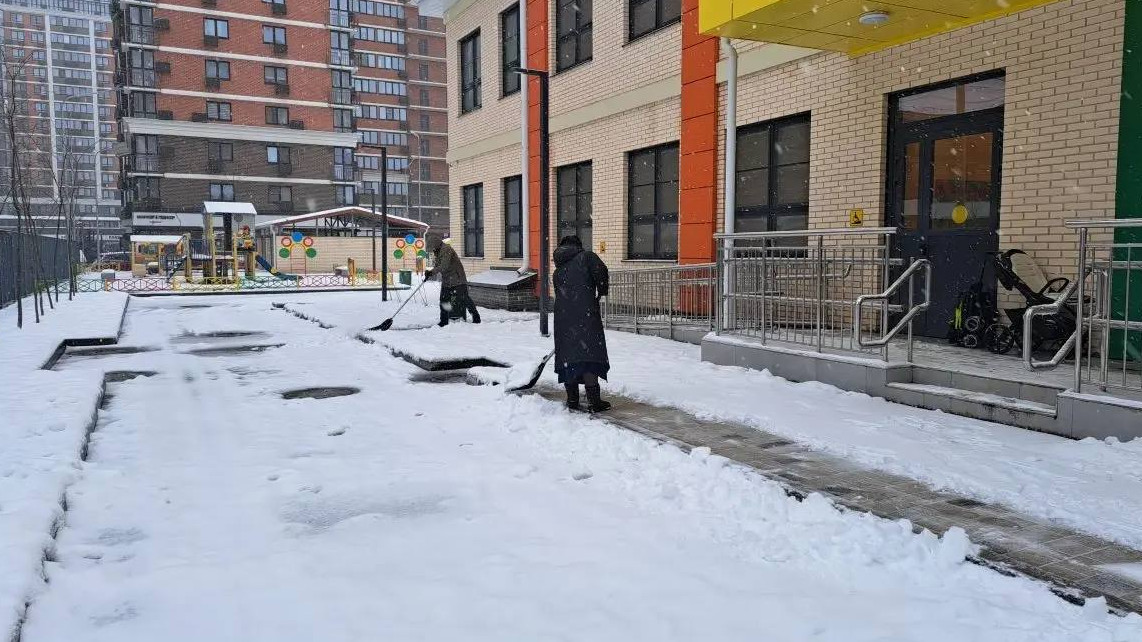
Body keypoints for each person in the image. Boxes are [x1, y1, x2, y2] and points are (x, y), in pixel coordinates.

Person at [553, 235, 611, 412]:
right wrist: (601, 291)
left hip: (563, 319)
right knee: (589, 355)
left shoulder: (558, 270)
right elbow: (601, 272)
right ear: (578, 246)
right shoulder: (587, 257)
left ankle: (572, 399)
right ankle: (594, 401)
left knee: (569, 358)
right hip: (586, 316)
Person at [424, 233, 480, 327]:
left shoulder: (446, 249)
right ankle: (444, 321)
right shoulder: (438, 251)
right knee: (444, 300)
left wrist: (432, 272)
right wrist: (430, 272)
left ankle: (476, 317)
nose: (432, 250)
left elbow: (444, 266)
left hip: (457, 279)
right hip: (447, 280)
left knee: (464, 299)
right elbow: (438, 265)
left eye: (432, 248)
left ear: (436, 244)